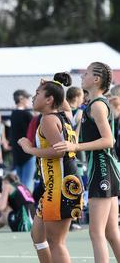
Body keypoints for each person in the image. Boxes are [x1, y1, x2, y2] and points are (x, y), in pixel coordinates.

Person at [53, 62, 120, 262]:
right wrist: (56, 86)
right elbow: (66, 110)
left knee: (96, 232)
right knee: (110, 233)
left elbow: (109, 140)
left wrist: (75, 147)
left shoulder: (98, 105)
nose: (82, 76)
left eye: (87, 73)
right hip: (104, 169)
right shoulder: (93, 104)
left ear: (96, 79)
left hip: (102, 169)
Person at [17, 73, 83, 263]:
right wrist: (53, 84)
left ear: (49, 100)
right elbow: (62, 101)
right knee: (38, 236)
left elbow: (59, 151)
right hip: (55, 186)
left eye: (37, 93)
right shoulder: (65, 115)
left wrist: (29, 149)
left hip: (60, 186)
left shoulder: (47, 120)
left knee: (56, 242)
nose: (33, 97)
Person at [10, 89, 35, 191]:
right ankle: (27, 205)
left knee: (19, 184)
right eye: (27, 98)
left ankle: (21, 205)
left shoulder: (13, 114)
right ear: (21, 98)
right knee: (27, 184)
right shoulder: (27, 114)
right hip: (28, 153)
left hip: (17, 153)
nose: (29, 100)